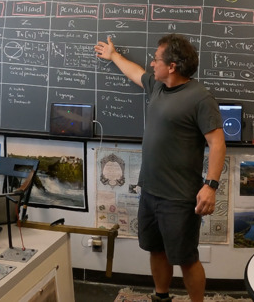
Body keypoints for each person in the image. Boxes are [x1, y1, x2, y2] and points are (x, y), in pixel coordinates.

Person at [94, 33, 226, 302]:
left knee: (186, 258)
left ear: (172, 66)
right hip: (150, 191)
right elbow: (136, 73)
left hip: (179, 197)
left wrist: (210, 186)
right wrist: (114, 55)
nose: (152, 64)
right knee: (156, 249)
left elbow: (217, 144)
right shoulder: (157, 86)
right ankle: (161, 297)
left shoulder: (200, 98)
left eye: (156, 59)